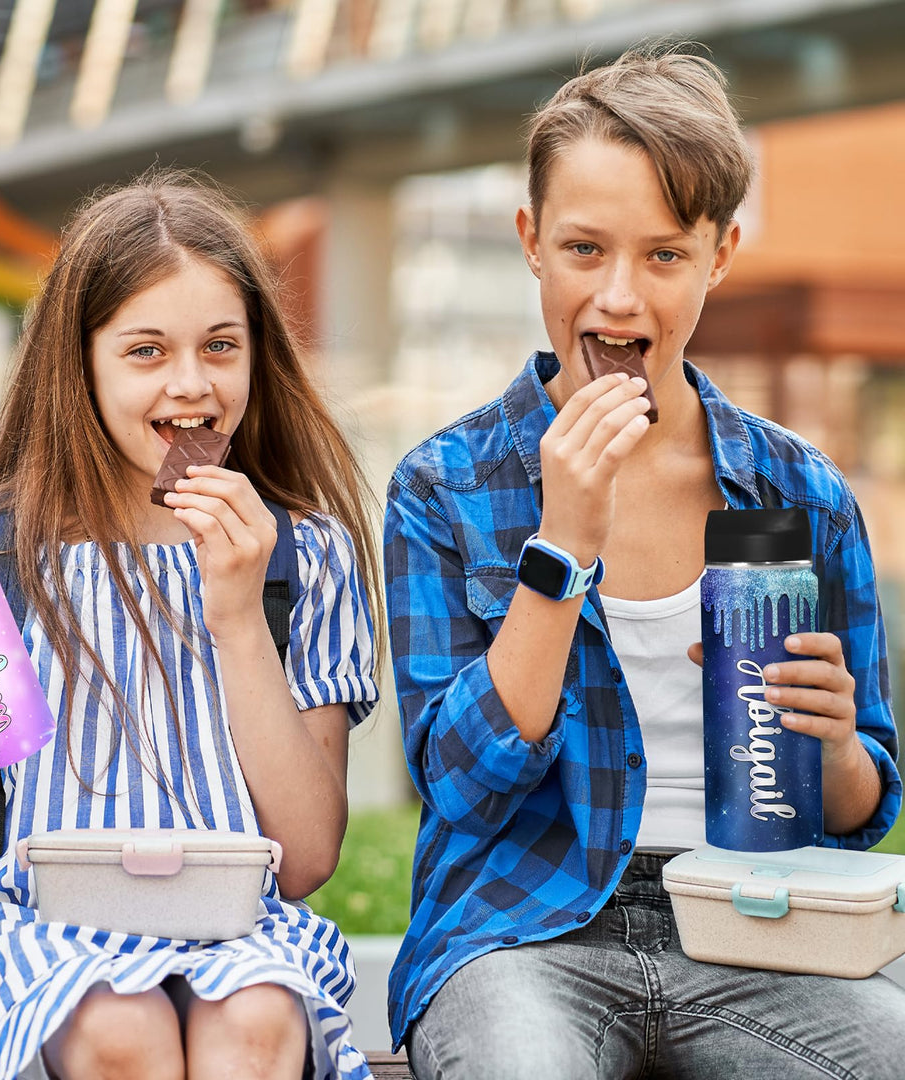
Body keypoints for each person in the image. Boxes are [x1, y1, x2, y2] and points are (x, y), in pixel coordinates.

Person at [384, 44, 905, 1079]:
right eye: (585, 249)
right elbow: (457, 791)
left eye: (664, 256)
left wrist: (837, 747)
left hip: (759, 930)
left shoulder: (800, 491)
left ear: (720, 255)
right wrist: (560, 547)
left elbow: (860, 808)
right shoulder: (446, 486)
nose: (620, 298)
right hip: (521, 935)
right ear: (531, 242)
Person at [0, 172, 381, 1080]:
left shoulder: (301, 557)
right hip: (22, 926)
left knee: (256, 1026)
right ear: (81, 363)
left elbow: (304, 861)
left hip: (236, 923)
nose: (193, 384)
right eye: (146, 352)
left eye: (222, 346)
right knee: (117, 1030)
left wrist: (236, 618)